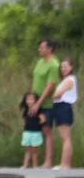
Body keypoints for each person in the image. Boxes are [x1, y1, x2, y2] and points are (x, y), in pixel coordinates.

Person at [29, 38, 60, 169]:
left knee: (47, 130)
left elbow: (50, 85)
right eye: (39, 47)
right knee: (38, 130)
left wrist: (39, 102)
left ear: (49, 49)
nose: (39, 50)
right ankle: (34, 161)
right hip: (35, 101)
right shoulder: (40, 62)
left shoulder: (53, 64)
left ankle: (48, 161)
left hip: (46, 104)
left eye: (42, 47)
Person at [51, 57, 77, 169]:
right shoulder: (65, 80)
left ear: (71, 67)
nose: (63, 69)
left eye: (66, 66)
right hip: (60, 107)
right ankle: (65, 163)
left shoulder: (69, 79)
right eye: (62, 67)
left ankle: (65, 164)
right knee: (64, 137)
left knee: (66, 137)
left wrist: (51, 96)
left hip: (63, 107)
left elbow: (58, 94)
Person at [19, 92, 46, 168]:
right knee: (27, 149)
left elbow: (43, 119)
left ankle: (35, 165)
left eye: (31, 99)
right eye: (28, 99)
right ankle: (25, 164)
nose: (29, 101)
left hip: (36, 132)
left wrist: (37, 125)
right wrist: (25, 124)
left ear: (35, 100)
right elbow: (24, 119)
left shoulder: (38, 110)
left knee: (34, 150)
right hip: (27, 132)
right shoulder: (26, 110)